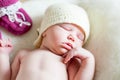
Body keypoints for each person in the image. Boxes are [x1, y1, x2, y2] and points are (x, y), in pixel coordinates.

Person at [0, 3, 95, 80]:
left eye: (80, 37)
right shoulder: (23, 54)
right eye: (66, 28)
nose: (72, 37)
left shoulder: (69, 62)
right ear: (44, 31)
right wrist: (3, 55)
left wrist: (88, 59)